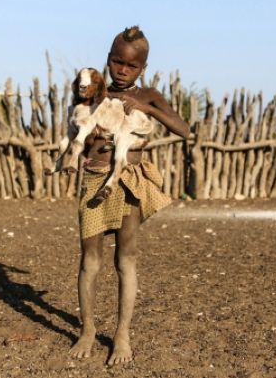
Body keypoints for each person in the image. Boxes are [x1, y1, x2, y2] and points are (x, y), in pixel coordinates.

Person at [69, 26, 190, 366]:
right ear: (108, 60)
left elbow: (184, 130)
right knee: (89, 260)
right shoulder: (92, 89)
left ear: (143, 69)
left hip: (127, 183)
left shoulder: (149, 96)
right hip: (94, 181)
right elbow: (76, 126)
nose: (122, 70)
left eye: (131, 66)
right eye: (116, 62)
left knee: (126, 259)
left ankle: (122, 334)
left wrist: (145, 108)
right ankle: (88, 330)